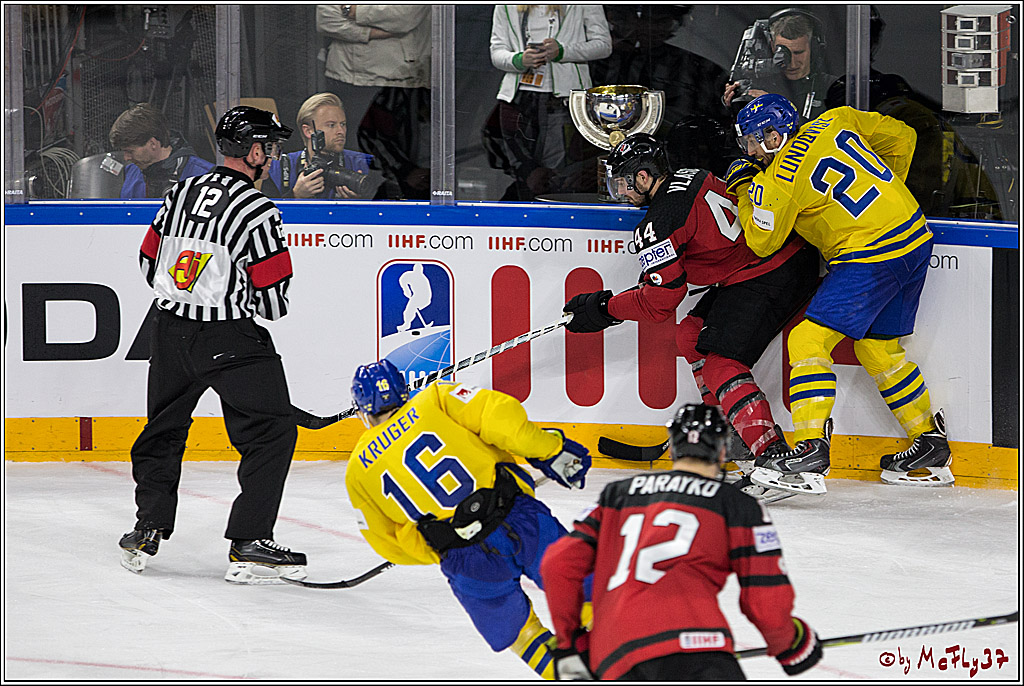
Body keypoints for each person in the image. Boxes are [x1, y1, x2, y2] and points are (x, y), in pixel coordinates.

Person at [562, 132, 821, 501]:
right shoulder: (690, 175)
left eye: (623, 182)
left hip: (772, 271)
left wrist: (603, 309)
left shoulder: (658, 221)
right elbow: (693, 255)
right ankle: (735, 434)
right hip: (773, 260)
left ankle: (773, 457)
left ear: (644, 177)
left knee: (721, 365)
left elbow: (659, 304)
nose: (621, 192)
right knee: (690, 333)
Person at [729, 93, 955, 496]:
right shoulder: (837, 120)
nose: (750, 151)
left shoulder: (778, 178)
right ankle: (931, 443)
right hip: (914, 236)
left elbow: (762, 241)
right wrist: (889, 195)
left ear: (773, 136)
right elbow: (901, 136)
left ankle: (811, 449)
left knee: (806, 340)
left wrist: (747, 189)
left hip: (870, 254)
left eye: (753, 141)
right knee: (878, 349)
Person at [118, 106, 308, 585]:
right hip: (229, 338)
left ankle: (147, 529)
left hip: (166, 330)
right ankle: (249, 540)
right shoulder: (259, 210)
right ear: (256, 152)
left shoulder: (180, 191)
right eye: (271, 147)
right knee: (272, 429)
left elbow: (147, 262)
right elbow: (270, 299)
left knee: (163, 429)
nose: (274, 156)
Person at [345, 359, 592, 680]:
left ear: (363, 410)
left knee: (521, 635)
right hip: (518, 517)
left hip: (466, 559)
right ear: (402, 389)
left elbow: (386, 543)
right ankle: (622, 663)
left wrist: (438, 547)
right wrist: (548, 449)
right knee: (585, 592)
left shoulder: (357, 472)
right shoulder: (434, 398)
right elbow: (500, 419)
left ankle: (578, 678)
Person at [539, 403, 823, 680]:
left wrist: (569, 643)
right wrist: (789, 640)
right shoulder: (737, 505)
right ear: (722, 450)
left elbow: (557, 564)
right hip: (698, 651)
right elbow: (764, 598)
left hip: (616, 656)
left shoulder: (618, 495)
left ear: (674, 447)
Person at [489, 5, 612, 200]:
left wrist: (563, 52)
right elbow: (496, 52)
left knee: (558, 177)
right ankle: (523, 222)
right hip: (518, 98)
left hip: (563, 99)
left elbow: (604, 45)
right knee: (525, 172)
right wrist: (519, 59)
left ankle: (557, 222)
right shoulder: (506, 5)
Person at [316, 5, 431, 199]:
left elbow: (405, 15)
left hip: (398, 77)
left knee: (398, 167)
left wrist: (353, 11)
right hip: (344, 77)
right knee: (345, 157)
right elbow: (325, 19)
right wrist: (369, 32)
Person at [722, 9, 837, 123]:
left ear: (814, 49)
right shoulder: (759, 84)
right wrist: (729, 106)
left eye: (798, 53)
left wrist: (777, 108)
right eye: (782, 53)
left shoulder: (833, 89)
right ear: (772, 46)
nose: (791, 62)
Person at [263, 92, 374, 199]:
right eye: (331, 125)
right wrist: (295, 196)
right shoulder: (279, 168)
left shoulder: (363, 164)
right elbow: (264, 215)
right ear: (308, 131)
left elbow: (385, 211)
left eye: (343, 124)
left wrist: (361, 203)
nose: (341, 131)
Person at [108, 102, 214, 199]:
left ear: (153, 143)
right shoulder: (131, 171)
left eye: (130, 151)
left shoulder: (204, 176)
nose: (126, 158)